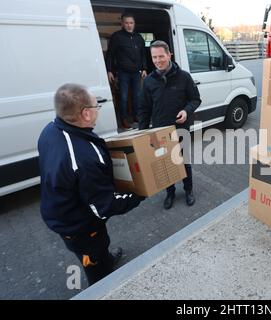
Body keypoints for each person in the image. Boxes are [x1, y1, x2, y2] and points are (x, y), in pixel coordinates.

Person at [38, 83, 145, 286]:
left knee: (99, 246)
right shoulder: (83, 158)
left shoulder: (50, 129)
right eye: (97, 106)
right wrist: (140, 193)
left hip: (60, 210)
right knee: (94, 261)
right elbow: (104, 207)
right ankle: (101, 276)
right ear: (86, 114)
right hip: (78, 225)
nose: (98, 110)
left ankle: (103, 257)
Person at [138, 40, 201, 210]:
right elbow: (144, 109)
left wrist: (187, 111)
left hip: (181, 128)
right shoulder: (149, 81)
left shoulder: (184, 77)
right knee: (166, 165)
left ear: (169, 54)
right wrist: (142, 134)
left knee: (184, 161)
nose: (158, 60)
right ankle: (170, 193)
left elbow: (195, 99)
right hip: (159, 130)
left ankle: (188, 190)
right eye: (154, 57)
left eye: (161, 56)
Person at [106, 12, 147, 129]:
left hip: (136, 72)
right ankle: (123, 119)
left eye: (131, 23)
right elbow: (110, 54)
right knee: (123, 97)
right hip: (123, 72)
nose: (129, 25)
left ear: (134, 24)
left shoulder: (139, 38)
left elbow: (143, 54)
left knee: (137, 96)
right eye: (127, 23)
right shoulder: (117, 37)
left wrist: (144, 68)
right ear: (122, 24)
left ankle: (136, 116)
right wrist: (109, 70)